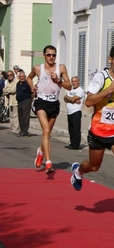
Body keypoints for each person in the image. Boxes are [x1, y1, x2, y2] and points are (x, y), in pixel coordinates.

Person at [70, 44, 114, 225]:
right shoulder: (100, 77)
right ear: (110, 59)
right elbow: (88, 101)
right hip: (99, 132)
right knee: (94, 167)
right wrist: (108, 90)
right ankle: (78, 171)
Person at [27, 44, 72, 173]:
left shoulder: (61, 68)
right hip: (41, 102)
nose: (51, 57)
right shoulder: (37, 68)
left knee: (47, 133)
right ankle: (48, 162)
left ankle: (41, 152)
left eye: (54, 55)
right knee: (45, 130)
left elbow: (69, 86)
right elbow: (29, 78)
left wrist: (58, 81)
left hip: (53, 104)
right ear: (44, 55)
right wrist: (32, 87)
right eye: (49, 55)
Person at [64, 76, 85, 149]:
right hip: (69, 112)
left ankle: (76, 145)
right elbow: (65, 98)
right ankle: (72, 143)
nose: (74, 83)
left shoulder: (80, 90)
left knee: (76, 129)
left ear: (78, 82)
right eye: (72, 81)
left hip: (76, 111)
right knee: (71, 129)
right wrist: (72, 99)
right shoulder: (70, 90)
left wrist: (70, 98)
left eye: (75, 81)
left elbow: (71, 99)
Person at [16, 71, 34, 137]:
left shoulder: (27, 83)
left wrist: (30, 100)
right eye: (21, 77)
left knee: (25, 117)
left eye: (23, 76)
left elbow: (33, 92)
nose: (22, 78)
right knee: (20, 116)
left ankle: (25, 131)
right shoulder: (18, 84)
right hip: (19, 102)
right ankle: (21, 130)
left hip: (26, 101)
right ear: (18, 77)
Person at [3, 70, 19, 134]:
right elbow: (4, 89)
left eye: (11, 75)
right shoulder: (8, 82)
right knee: (11, 116)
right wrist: (6, 90)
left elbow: (13, 90)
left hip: (15, 101)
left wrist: (7, 90)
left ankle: (16, 129)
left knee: (15, 116)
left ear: (13, 75)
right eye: (8, 75)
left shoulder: (16, 81)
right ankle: (13, 129)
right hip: (10, 102)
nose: (9, 76)